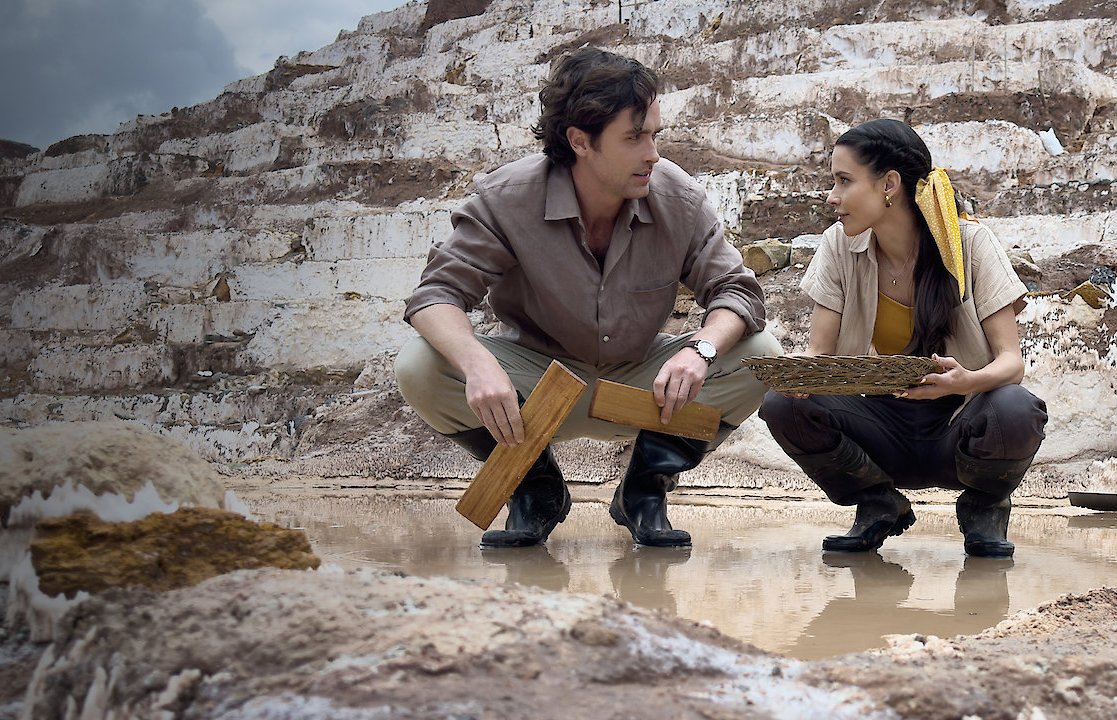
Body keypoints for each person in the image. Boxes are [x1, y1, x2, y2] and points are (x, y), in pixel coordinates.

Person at [394, 47, 781, 549]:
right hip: (535, 385)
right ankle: (535, 489)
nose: (653, 154)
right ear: (580, 141)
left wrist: (699, 349)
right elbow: (436, 295)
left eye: (654, 135)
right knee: (420, 365)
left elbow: (737, 291)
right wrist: (475, 363)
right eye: (634, 138)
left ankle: (643, 491)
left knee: (761, 355)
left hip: (645, 388)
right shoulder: (506, 198)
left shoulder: (677, 197)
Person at [759, 118, 1048, 557]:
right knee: (784, 405)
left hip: (959, 423)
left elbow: (1012, 363)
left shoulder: (971, 242)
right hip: (880, 423)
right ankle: (877, 502)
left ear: (889, 184)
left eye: (844, 180)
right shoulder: (838, 245)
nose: (831, 197)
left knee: (1015, 407)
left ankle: (984, 508)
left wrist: (965, 382)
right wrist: (793, 377)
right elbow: (821, 354)